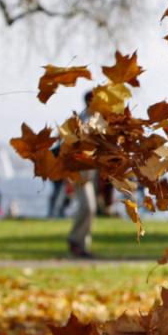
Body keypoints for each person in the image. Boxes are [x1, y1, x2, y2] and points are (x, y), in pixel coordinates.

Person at [68, 91, 97, 258]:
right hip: (81, 171)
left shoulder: (95, 118)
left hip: (89, 172)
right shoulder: (83, 120)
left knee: (90, 209)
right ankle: (76, 240)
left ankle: (82, 244)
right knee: (87, 207)